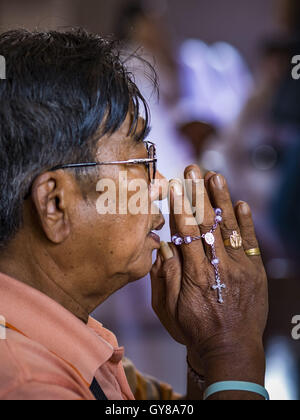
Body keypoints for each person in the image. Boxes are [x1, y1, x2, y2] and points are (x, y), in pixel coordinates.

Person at [0, 28, 268, 400]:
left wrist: (207, 352)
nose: (159, 184)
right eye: (142, 161)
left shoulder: (74, 341)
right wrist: (232, 349)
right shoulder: (27, 382)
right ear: (55, 205)